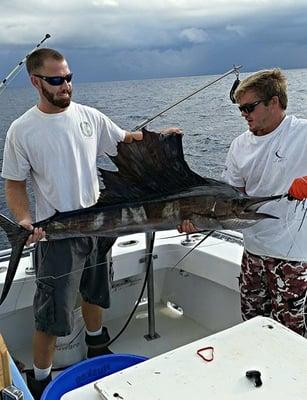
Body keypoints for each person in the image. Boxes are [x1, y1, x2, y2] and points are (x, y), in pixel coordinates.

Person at [1, 47, 180, 399]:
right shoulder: (22, 130)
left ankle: (97, 345)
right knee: (52, 313)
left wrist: (159, 136)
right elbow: (14, 183)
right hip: (58, 234)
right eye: (56, 80)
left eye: (68, 78)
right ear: (36, 82)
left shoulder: (89, 117)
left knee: (96, 291)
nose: (66, 86)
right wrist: (23, 219)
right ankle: (40, 378)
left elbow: (126, 138)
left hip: (100, 224)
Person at [179, 69, 307, 337]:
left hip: (294, 259)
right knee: (252, 324)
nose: (244, 115)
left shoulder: (301, 133)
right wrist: (199, 222)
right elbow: (230, 198)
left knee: (291, 333)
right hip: (253, 252)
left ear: (274, 102)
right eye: (240, 109)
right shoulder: (239, 145)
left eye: (249, 107)